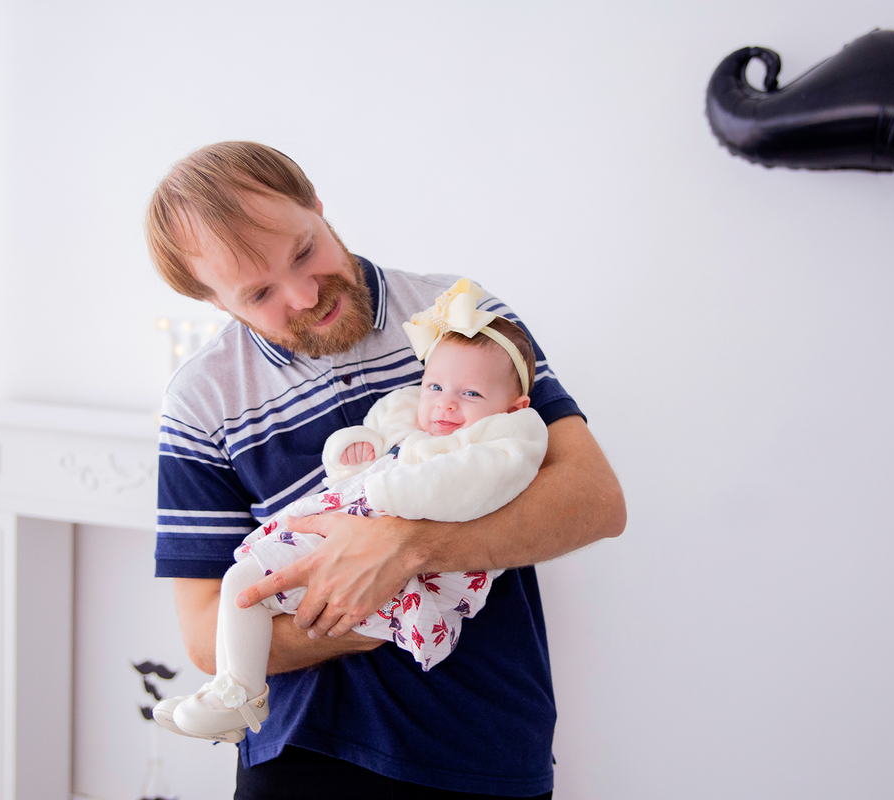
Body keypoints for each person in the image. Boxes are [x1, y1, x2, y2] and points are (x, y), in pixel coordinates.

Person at [146, 141, 625, 798]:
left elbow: (594, 500)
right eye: (259, 293)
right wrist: (370, 608)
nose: (306, 294)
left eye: (305, 250)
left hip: (483, 737)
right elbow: (206, 633)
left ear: (317, 205)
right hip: (302, 752)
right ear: (217, 302)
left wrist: (408, 550)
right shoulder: (202, 402)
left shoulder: (460, 319)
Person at [155, 286, 550, 741]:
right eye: (435, 386)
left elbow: (463, 485)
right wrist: (356, 453)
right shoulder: (413, 419)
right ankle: (232, 691)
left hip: (424, 584)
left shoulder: (499, 442)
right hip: (348, 549)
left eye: (471, 393)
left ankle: (237, 697)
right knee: (243, 582)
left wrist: (382, 490)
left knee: (246, 583)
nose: (445, 403)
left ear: (514, 406)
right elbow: (361, 457)